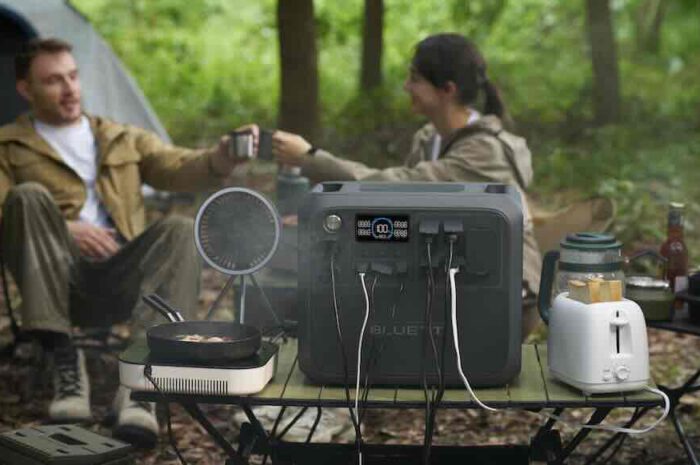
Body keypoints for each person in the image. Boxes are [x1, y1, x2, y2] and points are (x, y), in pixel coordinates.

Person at [0, 38, 250, 447]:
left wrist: (221, 157)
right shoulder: (7, 145)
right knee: (27, 196)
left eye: (73, 76)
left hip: (122, 276)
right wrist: (65, 228)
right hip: (54, 280)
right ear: (26, 89)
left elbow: (179, 167)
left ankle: (142, 384)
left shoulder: (119, 137)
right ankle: (63, 358)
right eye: (53, 81)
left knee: (179, 228)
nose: (69, 89)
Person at [271, 33, 542, 336]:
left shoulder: (483, 151)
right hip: (450, 279)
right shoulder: (429, 138)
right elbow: (401, 212)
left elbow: (396, 186)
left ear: (447, 90)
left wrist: (309, 158)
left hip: (505, 297)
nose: (406, 87)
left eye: (415, 79)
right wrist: (332, 222)